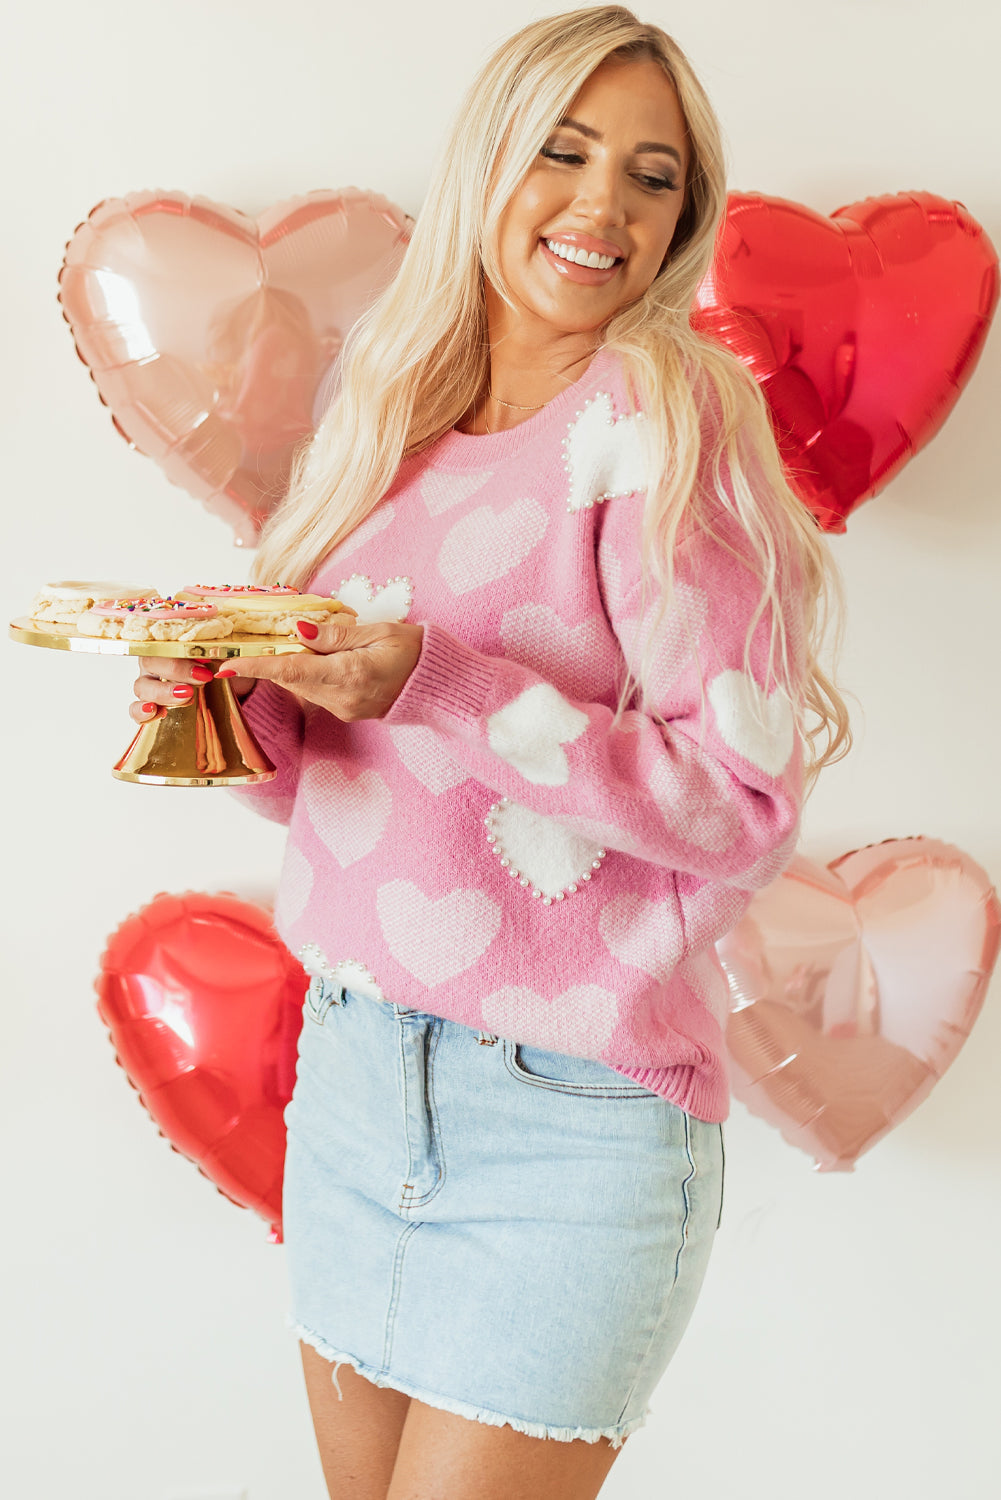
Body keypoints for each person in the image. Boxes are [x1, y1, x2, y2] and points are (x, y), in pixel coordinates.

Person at [131, 8, 849, 1497]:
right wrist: (225, 696)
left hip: (566, 1122)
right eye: (562, 151)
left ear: (681, 220)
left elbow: (739, 807)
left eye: (650, 178)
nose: (600, 207)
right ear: (487, 166)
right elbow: (326, 789)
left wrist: (438, 681)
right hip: (353, 1074)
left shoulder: (664, 423)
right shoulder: (390, 425)